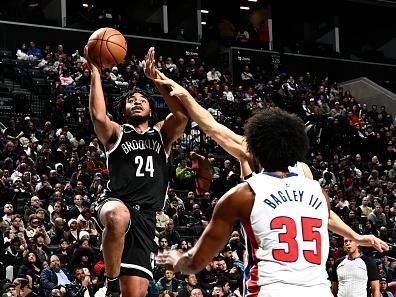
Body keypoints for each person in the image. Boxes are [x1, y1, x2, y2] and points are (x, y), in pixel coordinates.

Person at [153, 72, 389, 251]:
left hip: (293, 264)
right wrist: (183, 94)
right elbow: (212, 127)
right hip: (271, 257)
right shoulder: (261, 157)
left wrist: (355, 236)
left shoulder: (301, 170)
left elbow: (324, 213)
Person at [164, 108, 387, 297]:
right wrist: (356, 236)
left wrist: (176, 261)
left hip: (271, 290)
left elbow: (196, 261)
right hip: (320, 291)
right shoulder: (319, 193)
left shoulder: (243, 194)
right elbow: (328, 219)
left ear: (253, 150)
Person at [85, 45, 187, 297]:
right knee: (118, 216)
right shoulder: (117, 133)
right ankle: (110, 285)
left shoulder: (161, 134)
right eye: (131, 101)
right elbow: (98, 116)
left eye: (142, 100)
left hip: (146, 218)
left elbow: (182, 114)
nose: (137, 102)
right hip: (116, 201)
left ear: (151, 109)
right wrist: (95, 71)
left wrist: (156, 79)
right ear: (124, 110)